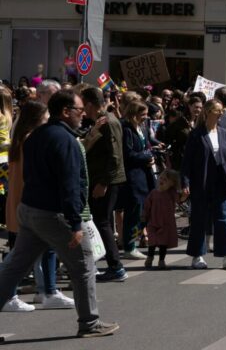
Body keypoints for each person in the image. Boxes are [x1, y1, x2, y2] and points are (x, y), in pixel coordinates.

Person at [0, 89, 118, 338]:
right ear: (66, 112)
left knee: (14, 268)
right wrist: (75, 223)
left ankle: (89, 321)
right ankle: (90, 323)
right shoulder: (65, 140)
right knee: (83, 266)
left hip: (31, 210)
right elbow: (70, 184)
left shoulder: (35, 136)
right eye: (79, 110)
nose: (83, 115)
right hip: (55, 215)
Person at [2, 101, 75, 312]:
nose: (48, 122)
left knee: (30, 252)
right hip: (30, 202)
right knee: (23, 255)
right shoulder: (30, 140)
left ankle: (46, 290)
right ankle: (25, 293)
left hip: (20, 202)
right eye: (45, 118)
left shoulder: (21, 140)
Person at [182, 99, 226, 270]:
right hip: (201, 182)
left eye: (222, 110)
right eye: (218, 110)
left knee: (223, 218)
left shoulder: (224, 133)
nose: (222, 113)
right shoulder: (196, 134)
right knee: (199, 220)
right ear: (208, 112)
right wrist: (185, 182)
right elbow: (187, 162)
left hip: (221, 182)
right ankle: (197, 256)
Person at [79, 86, 128, 283]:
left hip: (106, 180)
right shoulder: (100, 122)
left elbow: (115, 156)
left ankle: (116, 266)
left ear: (91, 104)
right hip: (101, 178)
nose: (83, 110)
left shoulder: (108, 122)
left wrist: (103, 183)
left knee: (102, 222)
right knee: (102, 221)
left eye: (84, 106)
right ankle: (112, 264)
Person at [118, 102, 156, 260]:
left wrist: (151, 154)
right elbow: (128, 154)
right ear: (134, 114)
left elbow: (147, 146)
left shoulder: (143, 129)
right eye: (143, 114)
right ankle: (129, 246)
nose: (146, 117)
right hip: (133, 177)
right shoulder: (126, 130)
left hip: (144, 175)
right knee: (133, 213)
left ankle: (134, 242)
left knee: (140, 212)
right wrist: (146, 157)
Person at [142, 169, 180, 269]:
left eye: (166, 180)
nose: (162, 180)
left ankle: (161, 260)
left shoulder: (172, 193)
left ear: (172, 183)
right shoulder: (153, 193)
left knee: (163, 243)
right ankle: (150, 258)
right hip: (153, 222)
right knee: (152, 242)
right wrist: (144, 216)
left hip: (166, 223)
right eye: (161, 178)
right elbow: (147, 205)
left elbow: (179, 199)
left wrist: (184, 193)